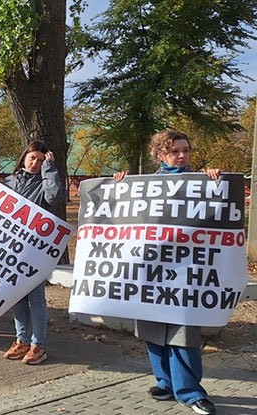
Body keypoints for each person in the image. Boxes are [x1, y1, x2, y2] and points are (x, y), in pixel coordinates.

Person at [113, 130, 219, 415]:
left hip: (184, 275)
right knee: (154, 332)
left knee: (183, 335)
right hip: (150, 274)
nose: (182, 155)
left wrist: (216, 183)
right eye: (175, 151)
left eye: (186, 150)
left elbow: (216, 215)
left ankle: (191, 392)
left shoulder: (201, 183)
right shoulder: (144, 185)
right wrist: (119, 187)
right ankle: (166, 382)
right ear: (160, 154)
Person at [0, 140, 65, 364]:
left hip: (35, 249)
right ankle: (22, 340)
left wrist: (50, 169)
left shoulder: (46, 180)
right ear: (24, 157)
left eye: (40, 159)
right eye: (32, 158)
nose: (35, 163)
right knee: (17, 296)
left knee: (36, 299)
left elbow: (54, 197)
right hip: (12, 248)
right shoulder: (10, 181)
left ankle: (39, 345)